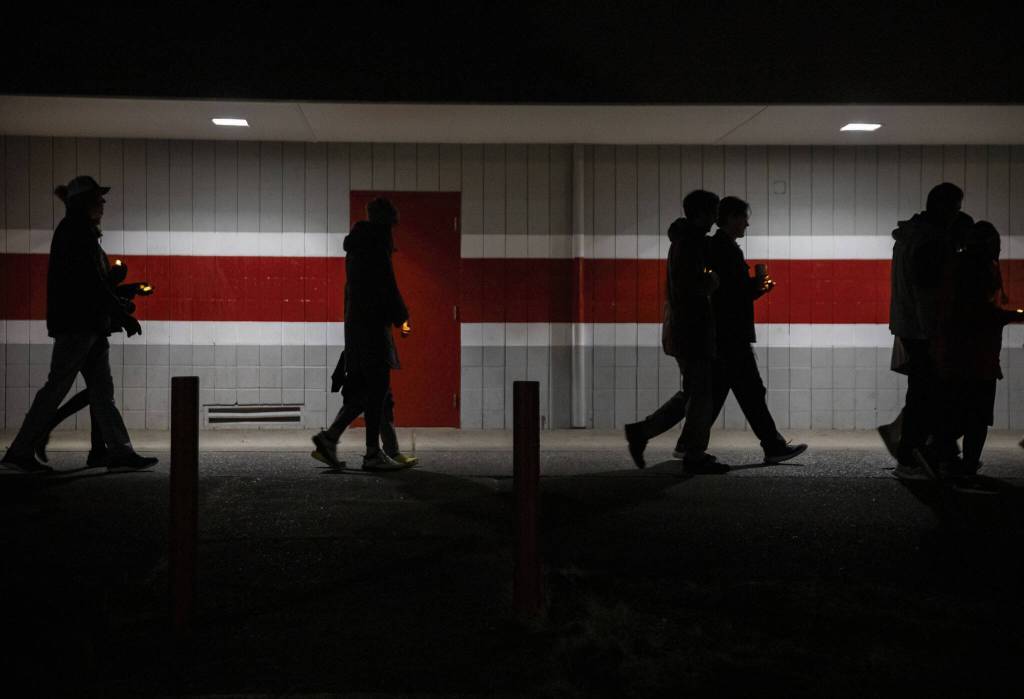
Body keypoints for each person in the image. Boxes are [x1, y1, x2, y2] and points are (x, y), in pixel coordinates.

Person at [1, 176, 157, 474]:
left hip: (89, 325)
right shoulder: (77, 233)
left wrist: (120, 299)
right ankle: (20, 451)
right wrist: (122, 312)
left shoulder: (80, 231)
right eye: (98, 198)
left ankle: (118, 452)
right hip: (78, 325)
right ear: (83, 202)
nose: (103, 203)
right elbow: (92, 286)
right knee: (58, 387)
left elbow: (97, 284)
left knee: (100, 390)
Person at [624, 190, 724, 473]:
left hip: (683, 328)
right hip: (691, 329)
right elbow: (689, 288)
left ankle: (642, 432)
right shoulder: (689, 244)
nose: (716, 219)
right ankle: (693, 454)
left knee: (694, 392)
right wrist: (712, 283)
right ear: (702, 213)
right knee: (701, 393)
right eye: (714, 212)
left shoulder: (683, 241)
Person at [310, 198, 412, 471]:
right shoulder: (376, 247)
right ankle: (371, 454)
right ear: (386, 223)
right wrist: (402, 318)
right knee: (376, 390)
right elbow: (387, 287)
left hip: (357, 328)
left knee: (365, 391)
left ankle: (330, 440)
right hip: (372, 329)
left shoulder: (356, 248)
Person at [879, 182, 972, 479]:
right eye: (955, 208)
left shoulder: (907, 237)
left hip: (908, 324)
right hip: (924, 329)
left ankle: (919, 449)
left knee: (923, 392)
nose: (956, 215)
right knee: (928, 393)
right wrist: (934, 333)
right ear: (944, 208)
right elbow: (927, 292)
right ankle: (911, 454)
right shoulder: (931, 240)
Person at [705, 197, 807, 463]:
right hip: (732, 334)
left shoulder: (720, 247)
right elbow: (732, 294)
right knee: (751, 391)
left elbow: (728, 291)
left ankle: (689, 443)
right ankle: (773, 445)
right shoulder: (725, 248)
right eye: (743, 218)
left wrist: (755, 287)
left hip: (725, 334)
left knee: (719, 392)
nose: (747, 223)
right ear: (729, 218)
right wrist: (758, 286)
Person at [34, 261, 153, 467]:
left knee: (98, 393)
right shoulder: (82, 243)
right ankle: (47, 426)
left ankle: (98, 450)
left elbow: (99, 289)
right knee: (93, 393)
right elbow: (96, 292)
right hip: (83, 330)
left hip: (87, 330)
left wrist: (125, 289)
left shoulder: (82, 245)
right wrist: (123, 313)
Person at [932, 221, 1022, 481]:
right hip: (978, 355)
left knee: (956, 409)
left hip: (953, 353)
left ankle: (945, 455)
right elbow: (981, 313)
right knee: (977, 415)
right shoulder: (980, 269)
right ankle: (965, 465)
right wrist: (1012, 316)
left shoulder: (955, 265)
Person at [309, 350, 418, 469]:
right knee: (371, 398)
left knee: (373, 399)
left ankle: (330, 439)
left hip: (365, 353)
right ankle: (377, 454)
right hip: (371, 354)